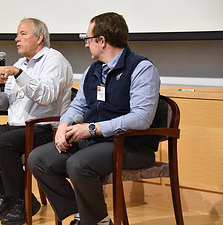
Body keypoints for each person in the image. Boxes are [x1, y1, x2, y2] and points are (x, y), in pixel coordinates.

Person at [28, 12, 161, 225]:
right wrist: (64, 125)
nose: (85, 45)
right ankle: (87, 214)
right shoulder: (93, 70)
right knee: (38, 159)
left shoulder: (142, 69)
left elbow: (141, 119)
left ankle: (95, 220)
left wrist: (91, 129)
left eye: (88, 39)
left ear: (102, 40)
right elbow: (79, 104)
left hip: (130, 145)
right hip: (95, 142)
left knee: (79, 164)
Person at [0, 18, 73, 225]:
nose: (17, 39)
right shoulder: (20, 63)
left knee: (1, 143)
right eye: (17, 35)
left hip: (42, 128)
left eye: (23, 34)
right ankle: (11, 195)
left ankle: (20, 201)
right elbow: (2, 106)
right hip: (15, 126)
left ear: (39, 37)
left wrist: (18, 75)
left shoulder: (54, 60)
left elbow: (47, 96)